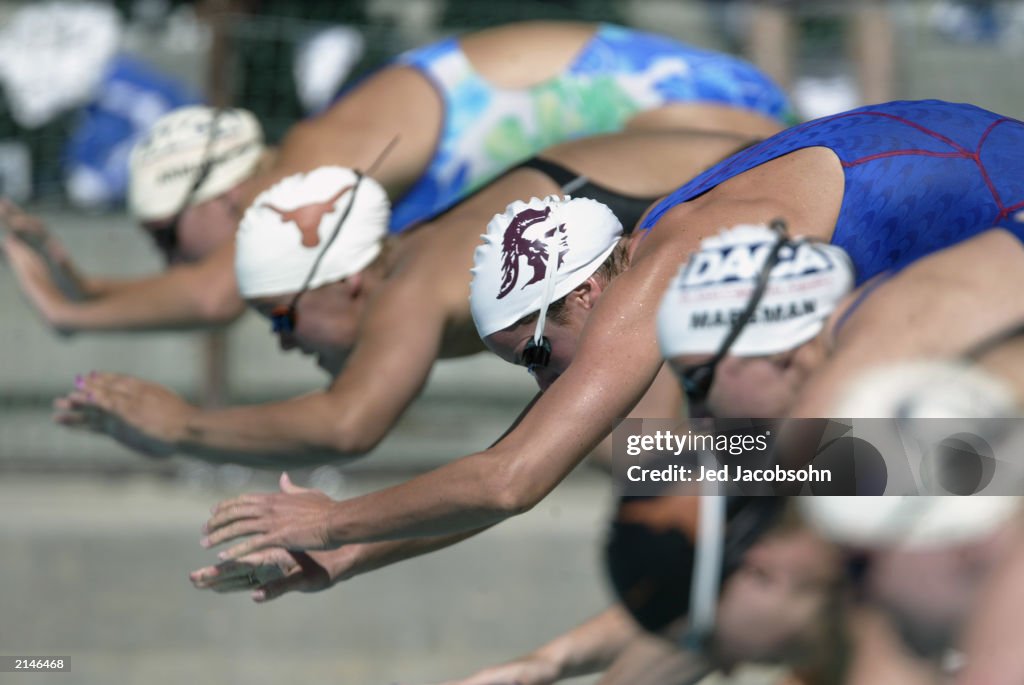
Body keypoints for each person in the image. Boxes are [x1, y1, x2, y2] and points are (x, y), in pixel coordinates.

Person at [194, 100, 1024, 573]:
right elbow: (518, 464)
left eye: (536, 357)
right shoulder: (658, 254)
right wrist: (355, 555)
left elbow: (510, 477)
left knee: (820, 465)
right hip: (979, 206)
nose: (543, 384)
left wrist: (333, 523)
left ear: (583, 292)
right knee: (746, 461)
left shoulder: (663, 266)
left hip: (995, 222)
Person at [1, 21, 789, 336]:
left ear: (223, 193)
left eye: (167, 236)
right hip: (685, 120)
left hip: (699, 113)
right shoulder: (345, 180)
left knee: (627, 425)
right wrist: (90, 283)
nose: (171, 258)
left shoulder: (319, 148)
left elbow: (217, 292)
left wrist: (74, 319)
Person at [53, 129, 758, 462]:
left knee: (655, 464)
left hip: (799, 208)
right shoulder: (420, 255)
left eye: (282, 317)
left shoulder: (411, 289)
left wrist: (184, 427)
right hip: (768, 204)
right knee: (656, 463)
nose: (285, 341)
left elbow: (346, 426)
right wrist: (347, 546)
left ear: (348, 277)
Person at [656, 223, 1024, 419]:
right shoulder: (878, 315)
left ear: (777, 355)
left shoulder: (870, 357)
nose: (700, 416)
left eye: (696, 383)